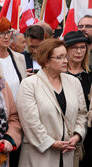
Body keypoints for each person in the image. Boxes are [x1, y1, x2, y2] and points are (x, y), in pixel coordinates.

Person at [16, 38, 87, 167]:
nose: (65, 61)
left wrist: (77, 136)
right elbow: (30, 122)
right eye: (59, 57)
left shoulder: (74, 83)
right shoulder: (29, 84)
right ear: (46, 61)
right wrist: (50, 143)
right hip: (39, 156)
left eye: (65, 56)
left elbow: (82, 114)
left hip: (68, 155)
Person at [64, 30, 91, 167]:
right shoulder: (58, 75)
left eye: (82, 47)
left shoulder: (89, 75)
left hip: (88, 132)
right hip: (65, 132)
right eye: (74, 48)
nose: (79, 51)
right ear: (66, 50)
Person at [0, 17, 27, 100]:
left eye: (8, 32)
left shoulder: (20, 58)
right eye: (1, 33)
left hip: (19, 108)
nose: (6, 36)